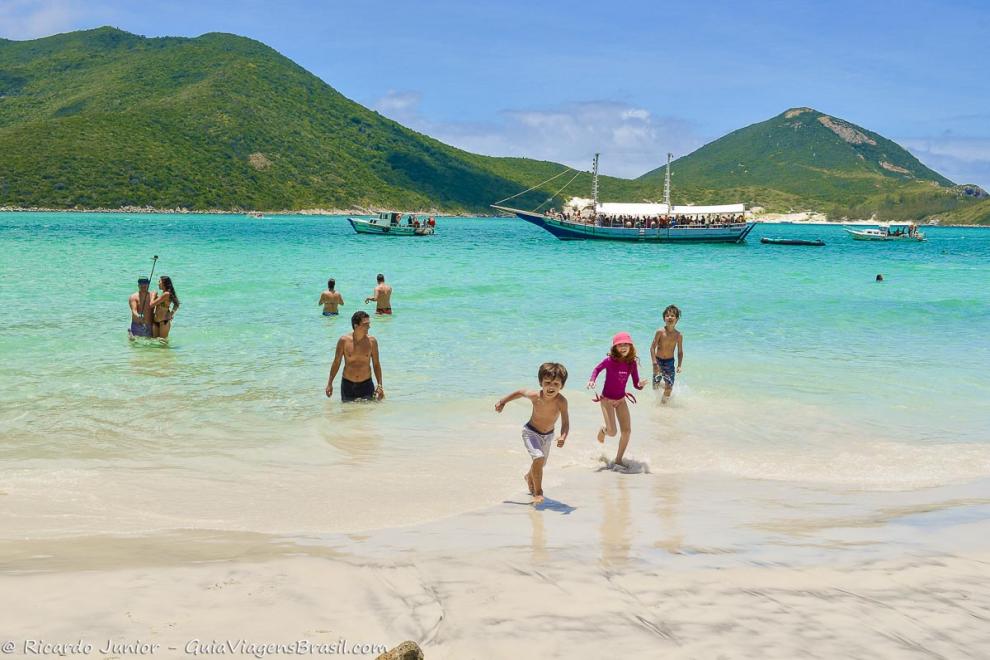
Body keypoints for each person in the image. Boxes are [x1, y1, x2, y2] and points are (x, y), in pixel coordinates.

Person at [495, 363, 570, 505]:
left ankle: (529, 476)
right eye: (547, 383)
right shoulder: (535, 396)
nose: (551, 387)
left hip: (548, 436)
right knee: (539, 458)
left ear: (562, 386)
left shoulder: (561, 402)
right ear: (540, 383)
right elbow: (520, 392)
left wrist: (563, 436)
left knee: (540, 463)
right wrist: (502, 402)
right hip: (530, 432)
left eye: (556, 384)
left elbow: (566, 422)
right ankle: (538, 492)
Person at [587, 332, 646, 469]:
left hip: (621, 400)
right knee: (612, 432)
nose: (623, 347)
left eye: (626, 344)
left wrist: (640, 385)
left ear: (630, 346)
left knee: (627, 431)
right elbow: (597, 369)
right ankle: (603, 431)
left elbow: (636, 383)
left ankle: (618, 460)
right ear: (615, 347)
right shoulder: (609, 361)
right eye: (620, 345)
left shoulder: (632, 364)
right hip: (606, 399)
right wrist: (592, 380)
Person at [325, 310, 384, 402]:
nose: (369, 326)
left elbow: (376, 364)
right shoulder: (343, 341)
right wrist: (330, 383)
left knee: (368, 414)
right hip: (348, 385)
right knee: (348, 414)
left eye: (369, 323)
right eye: (365, 324)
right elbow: (336, 362)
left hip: (366, 385)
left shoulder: (372, 341)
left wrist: (380, 385)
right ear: (356, 325)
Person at [650, 305, 684, 404]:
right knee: (655, 386)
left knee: (669, 388)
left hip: (669, 362)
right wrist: (654, 363)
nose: (670, 317)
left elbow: (680, 352)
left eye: (672, 315)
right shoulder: (660, 332)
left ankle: (663, 404)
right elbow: (652, 348)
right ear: (664, 318)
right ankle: (662, 385)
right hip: (658, 361)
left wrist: (679, 365)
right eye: (667, 315)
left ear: (677, 319)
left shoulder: (678, 335)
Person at [150, 275, 179, 340]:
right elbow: (176, 304)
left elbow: (151, 304)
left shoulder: (166, 294)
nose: (158, 283)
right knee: (156, 343)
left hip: (163, 322)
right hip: (156, 321)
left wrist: (153, 296)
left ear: (164, 283)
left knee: (163, 344)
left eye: (159, 281)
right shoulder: (163, 293)